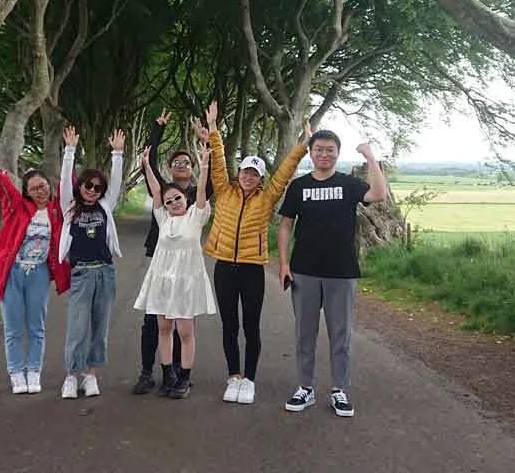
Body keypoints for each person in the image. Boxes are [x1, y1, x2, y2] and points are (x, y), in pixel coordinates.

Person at [202, 100, 310, 405]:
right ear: (239, 173)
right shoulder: (224, 190)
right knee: (229, 325)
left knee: (250, 325)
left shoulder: (267, 198)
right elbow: (218, 162)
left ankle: (249, 379)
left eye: (254, 173)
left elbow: (285, 173)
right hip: (224, 266)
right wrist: (213, 129)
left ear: (261, 178)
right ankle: (233, 376)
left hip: (252, 269)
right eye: (246, 171)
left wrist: (302, 146)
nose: (249, 176)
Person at [277, 129, 387, 417]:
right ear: (311, 153)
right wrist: (284, 263)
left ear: (338, 153)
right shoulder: (299, 186)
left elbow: (378, 193)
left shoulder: (349, 184)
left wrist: (369, 155)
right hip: (304, 271)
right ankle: (306, 387)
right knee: (304, 334)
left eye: (330, 150)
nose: (324, 154)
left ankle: (339, 390)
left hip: (342, 271)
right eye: (319, 149)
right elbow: (286, 224)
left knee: (341, 334)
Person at [0, 145, 69, 395]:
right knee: (13, 327)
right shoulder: (18, 208)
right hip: (13, 274)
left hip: (39, 274)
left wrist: (69, 149)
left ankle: (34, 370)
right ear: (27, 193)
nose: (41, 191)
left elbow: (68, 185)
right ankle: (16, 372)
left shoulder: (56, 210)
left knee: (37, 326)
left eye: (44, 186)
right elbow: (4, 188)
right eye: (35, 188)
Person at [133, 109, 214, 395]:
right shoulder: (163, 211)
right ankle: (156, 373)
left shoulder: (195, 210)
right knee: (158, 326)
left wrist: (208, 151)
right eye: (169, 200)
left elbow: (206, 186)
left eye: (178, 198)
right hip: (162, 274)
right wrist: (152, 141)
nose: (174, 202)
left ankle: (182, 376)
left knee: (185, 330)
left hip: (186, 276)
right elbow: (154, 179)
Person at [59, 126, 126, 399]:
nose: (93, 190)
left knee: (100, 327)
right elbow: (64, 180)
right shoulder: (70, 207)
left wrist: (118, 154)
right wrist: (70, 151)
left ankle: (91, 375)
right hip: (81, 274)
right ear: (80, 187)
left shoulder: (105, 207)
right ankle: (71, 377)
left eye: (98, 188)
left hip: (105, 272)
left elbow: (117, 182)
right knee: (77, 328)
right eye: (89, 185)